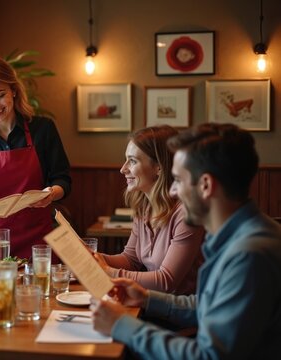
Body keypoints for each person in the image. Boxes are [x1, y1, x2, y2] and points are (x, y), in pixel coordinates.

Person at [91, 123, 281, 359]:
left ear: (206, 185)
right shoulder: (237, 235)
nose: (172, 192)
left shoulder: (249, 255)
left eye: (178, 180)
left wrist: (122, 325)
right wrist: (147, 298)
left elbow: (208, 356)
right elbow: (208, 305)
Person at [0, 56, 71, 261]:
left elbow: (63, 179)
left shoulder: (42, 129)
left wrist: (51, 193)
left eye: (0, 95)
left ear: (14, 91)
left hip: (36, 235)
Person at [94, 125, 204, 295]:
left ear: (159, 167)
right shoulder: (144, 207)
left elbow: (166, 281)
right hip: (149, 306)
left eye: (132, 161)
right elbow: (131, 260)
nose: (123, 169)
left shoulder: (186, 214)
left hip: (181, 316)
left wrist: (108, 272)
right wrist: (94, 257)